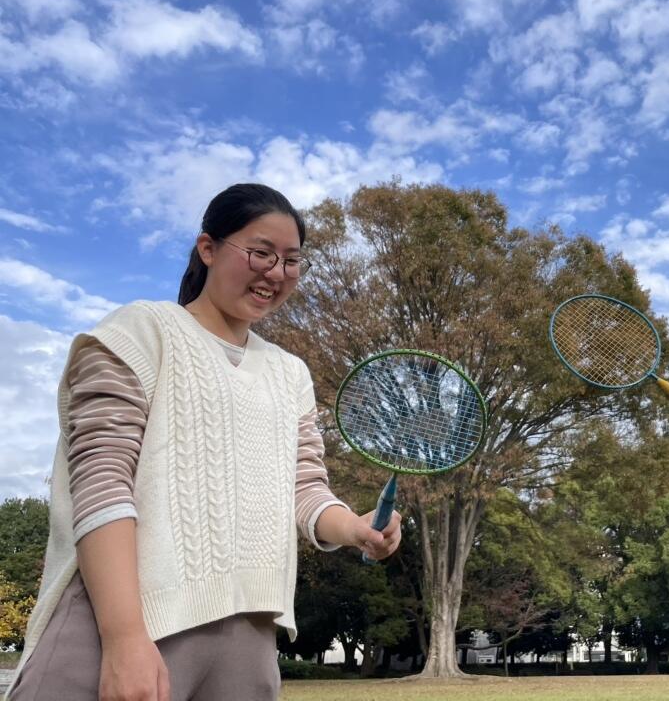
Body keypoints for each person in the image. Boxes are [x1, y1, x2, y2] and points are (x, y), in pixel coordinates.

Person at [7, 183, 402, 701]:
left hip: (250, 637)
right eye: (261, 252)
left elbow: (304, 488)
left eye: (291, 259)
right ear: (208, 248)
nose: (276, 272)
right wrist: (124, 638)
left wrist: (354, 528)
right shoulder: (140, 330)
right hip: (116, 620)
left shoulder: (291, 374)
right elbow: (101, 483)